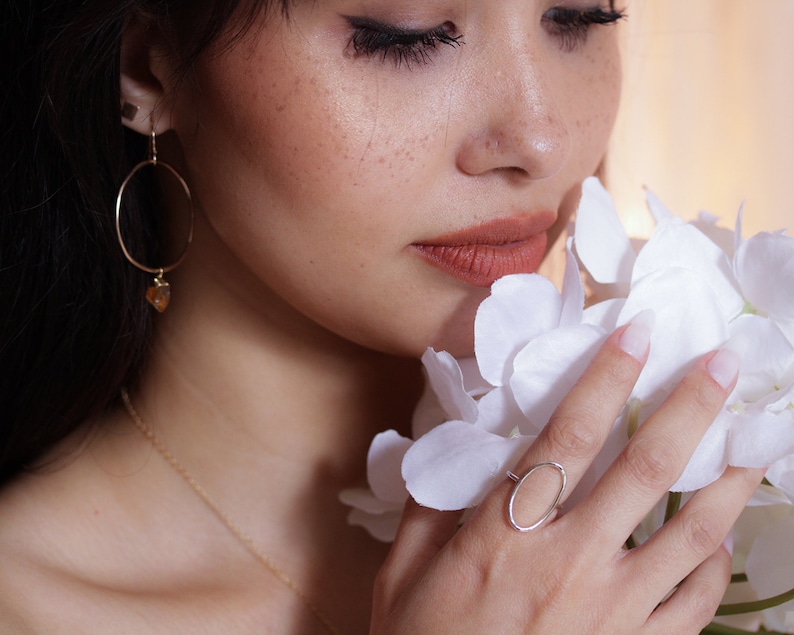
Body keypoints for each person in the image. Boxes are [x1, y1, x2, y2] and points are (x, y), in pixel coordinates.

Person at [0, 1, 764, 632]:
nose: (540, 138)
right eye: (409, 35)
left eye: (578, 17)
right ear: (148, 64)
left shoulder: (709, 517)